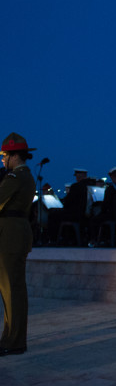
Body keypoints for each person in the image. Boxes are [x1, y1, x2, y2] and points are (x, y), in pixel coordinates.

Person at [0, 133, 36, 356]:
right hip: (14, 234)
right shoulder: (22, 176)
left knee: (12, 290)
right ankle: (11, 338)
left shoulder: (16, 177)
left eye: (5, 155)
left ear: (14, 156)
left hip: (10, 236)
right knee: (12, 290)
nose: (3, 160)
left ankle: (13, 341)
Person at [88, 167, 116, 246]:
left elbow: (105, 205)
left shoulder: (112, 188)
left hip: (113, 216)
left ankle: (95, 241)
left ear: (112, 177)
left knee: (94, 220)